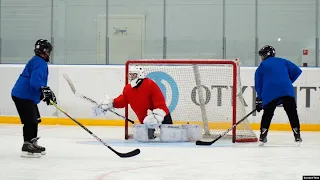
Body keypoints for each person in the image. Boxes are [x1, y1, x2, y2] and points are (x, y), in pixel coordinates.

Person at [97, 65, 173, 139]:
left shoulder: (150, 84)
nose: (131, 76)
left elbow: (160, 102)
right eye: (130, 74)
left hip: (161, 116)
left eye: (133, 74)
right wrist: (111, 103)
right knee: (147, 139)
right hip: (145, 121)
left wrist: (157, 116)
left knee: (170, 137)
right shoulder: (128, 89)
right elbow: (122, 100)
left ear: (140, 74)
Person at [11, 39, 57, 158]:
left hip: (26, 95)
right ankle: (27, 146)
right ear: (45, 51)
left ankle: (32, 142)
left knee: (35, 119)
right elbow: (35, 82)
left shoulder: (38, 61)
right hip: (22, 95)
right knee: (30, 120)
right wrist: (44, 90)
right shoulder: (39, 62)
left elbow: (37, 82)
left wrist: (45, 93)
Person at [254, 45, 302, 145]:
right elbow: (297, 71)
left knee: (268, 113)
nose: (261, 57)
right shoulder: (283, 61)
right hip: (286, 90)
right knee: (292, 112)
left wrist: (259, 99)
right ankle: (297, 135)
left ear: (266, 55)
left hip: (270, 93)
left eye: (262, 55)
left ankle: (263, 136)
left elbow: (258, 84)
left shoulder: (262, 66)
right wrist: (288, 81)